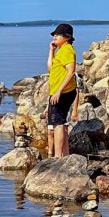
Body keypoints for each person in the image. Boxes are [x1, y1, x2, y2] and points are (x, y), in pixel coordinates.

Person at [47, 23, 77, 158]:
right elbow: (50, 68)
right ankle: (65, 155)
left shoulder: (68, 50)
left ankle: (58, 157)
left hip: (63, 93)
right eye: (54, 34)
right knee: (61, 124)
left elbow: (71, 71)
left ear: (67, 37)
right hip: (58, 92)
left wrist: (59, 91)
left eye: (57, 35)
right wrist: (51, 51)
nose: (54, 37)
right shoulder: (61, 50)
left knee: (57, 124)